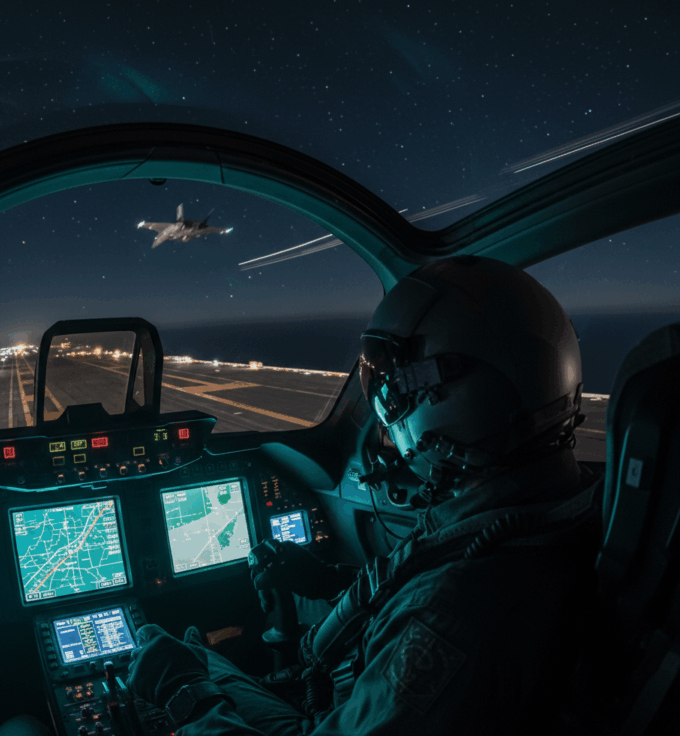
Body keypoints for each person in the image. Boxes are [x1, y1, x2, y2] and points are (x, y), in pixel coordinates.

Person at [126, 255, 602, 735]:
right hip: (345, 702)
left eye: (393, 386)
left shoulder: (451, 615)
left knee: (176, 661)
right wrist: (328, 580)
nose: (384, 411)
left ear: (463, 397)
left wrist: (185, 693)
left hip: (333, 717)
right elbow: (418, 580)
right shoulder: (559, 506)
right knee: (193, 654)